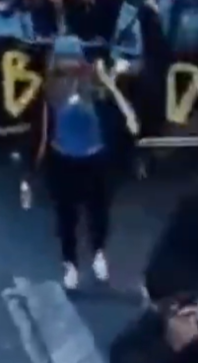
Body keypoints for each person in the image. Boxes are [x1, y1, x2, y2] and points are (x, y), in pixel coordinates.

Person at [32, 35, 139, 290]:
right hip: (62, 161)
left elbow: (130, 122)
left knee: (98, 212)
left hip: (95, 160)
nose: (70, 63)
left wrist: (109, 83)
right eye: (64, 58)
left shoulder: (98, 87)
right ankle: (70, 263)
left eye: (73, 58)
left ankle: (99, 252)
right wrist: (33, 168)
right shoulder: (52, 89)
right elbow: (43, 127)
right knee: (66, 217)